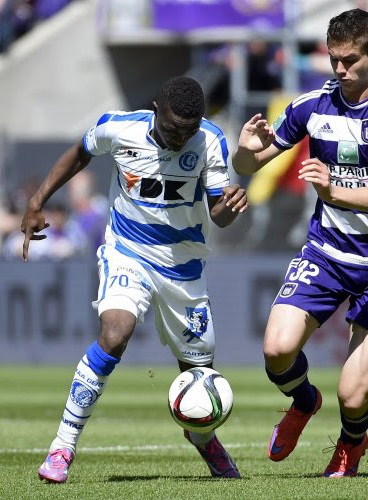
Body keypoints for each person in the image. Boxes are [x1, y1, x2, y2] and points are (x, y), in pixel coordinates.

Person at [22, 76, 248, 483]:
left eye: (189, 129)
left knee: (197, 374)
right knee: (114, 333)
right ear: (157, 109)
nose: (181, 137)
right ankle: (62, 447)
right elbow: (79, 152)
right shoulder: (119, 127)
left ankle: (203, 439)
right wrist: (38, 201)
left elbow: (218, 213)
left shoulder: (210, 141)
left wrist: (232, 207)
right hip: (128, 253)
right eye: (173, 127)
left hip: (184, 268)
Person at [233, 9, 368, 477]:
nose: (339, 69)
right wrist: (243, 147)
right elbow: (250, 166)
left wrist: (331, 188)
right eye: (334, 59)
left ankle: (351, 443)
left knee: (354, 396)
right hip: (326, 254)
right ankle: (303, 401)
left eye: (350, 60)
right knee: (277, 349)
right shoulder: (310, 106)